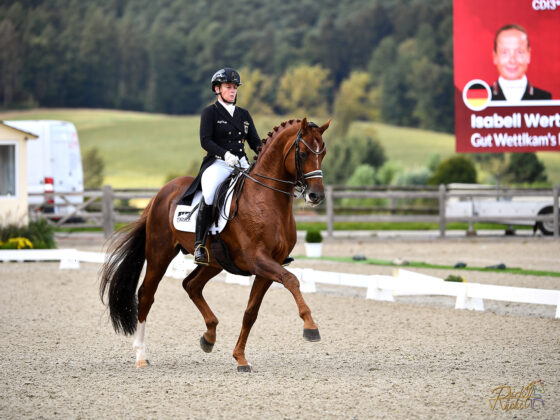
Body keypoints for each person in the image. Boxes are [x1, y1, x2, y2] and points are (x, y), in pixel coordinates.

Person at [184, 67, 263, 265]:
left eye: (235, 87)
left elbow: (255, 142)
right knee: (210, 192)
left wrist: (266, 155)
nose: (233, 91)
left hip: (242, 163)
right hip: (219, 163)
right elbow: (206, 141)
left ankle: (268, 243)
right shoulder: (210, 112)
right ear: (217, 89)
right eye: (228, 87)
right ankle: (200, 244)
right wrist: (225, 154)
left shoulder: (244, 115)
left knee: (262, 192)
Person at [491, 24, 551, 101]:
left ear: (528, 55)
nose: (512, 60)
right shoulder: (483, 98)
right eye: (505, 52)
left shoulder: (544, 98)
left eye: (519, 52)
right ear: (495, 56)